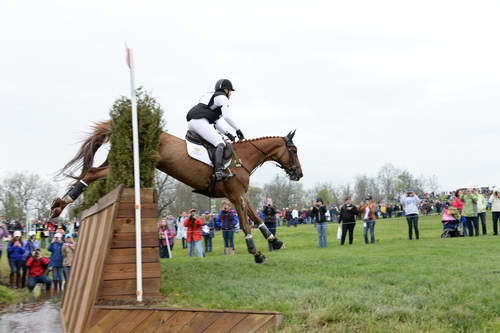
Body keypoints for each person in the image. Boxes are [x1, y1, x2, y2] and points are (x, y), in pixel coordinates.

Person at [186, 79, 245, 181]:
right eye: (230, 91)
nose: (230, 93)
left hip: (193, 122)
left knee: (216, 140)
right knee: (220, 144)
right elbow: (226, 117)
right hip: (200, 122)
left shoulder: (213, 97)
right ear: (226, 90)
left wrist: (228, 134)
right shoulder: (222, 98)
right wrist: (238, 129)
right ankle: (218, 172)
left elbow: (215, 123)